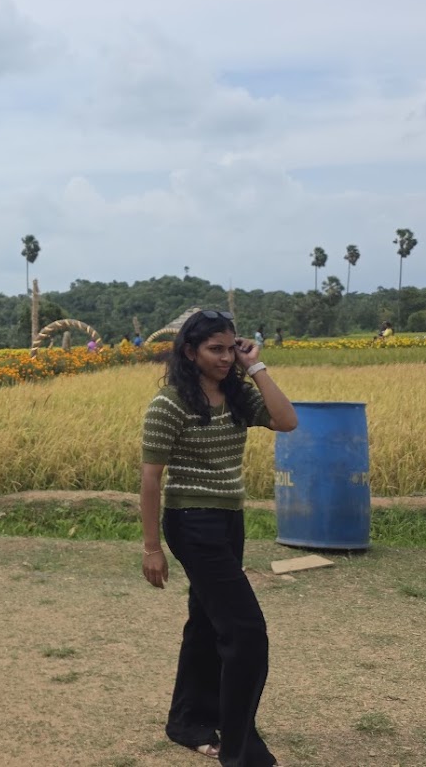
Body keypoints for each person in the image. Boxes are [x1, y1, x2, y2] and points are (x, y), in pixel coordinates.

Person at [139, 309, 297, 767]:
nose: (226, 357)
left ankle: (188, 721)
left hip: (230, 519)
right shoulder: (169, 404)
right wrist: (152, 548)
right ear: (190, 352)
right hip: (190, 522)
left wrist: (257, 366)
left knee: (208, 623)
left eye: (232, 347)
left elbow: (287, 421)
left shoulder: (237, 396)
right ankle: (240, 747)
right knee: (247, 633)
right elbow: (151, 479)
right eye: (215, 349)